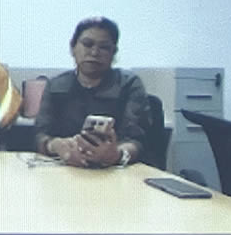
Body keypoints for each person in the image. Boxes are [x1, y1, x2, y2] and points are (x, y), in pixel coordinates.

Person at [34, 17, 151, 169]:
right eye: (87, 44)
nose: (94, 52)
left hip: (114, 171)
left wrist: (117, 154)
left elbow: (137, 140)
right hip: (67, 169)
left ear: (113, 53)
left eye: (104, 47)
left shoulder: (128, 84)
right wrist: (55, 145)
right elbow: (40, 134)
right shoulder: (56, 85)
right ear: (73, 47)